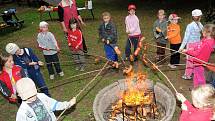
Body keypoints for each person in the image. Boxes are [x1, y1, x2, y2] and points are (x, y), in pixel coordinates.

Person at [179, 9, 204, 80]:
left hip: (191, 45)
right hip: (197, 45)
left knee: (189, 60)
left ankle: (187, 75)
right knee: (194, 59)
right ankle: (192, 71)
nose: (200, 17)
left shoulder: (191, 25)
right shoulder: (200, 24)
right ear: (198, 17)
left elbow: (186, 38)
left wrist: (181, 47)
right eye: (200, 16)